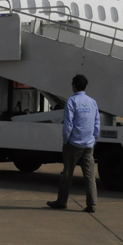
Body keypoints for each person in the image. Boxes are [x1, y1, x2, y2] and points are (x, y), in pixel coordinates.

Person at [48, 74, 100, 212]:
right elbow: (96, 124)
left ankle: (62, 201)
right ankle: (92, 204)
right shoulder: (92, 102)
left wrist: (66, 140)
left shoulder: (71, 101)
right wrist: (93, 139)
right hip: (88, 144)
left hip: (74, 143)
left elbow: (68, 124)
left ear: (74, 86)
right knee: (89, 175)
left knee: (67, 174)